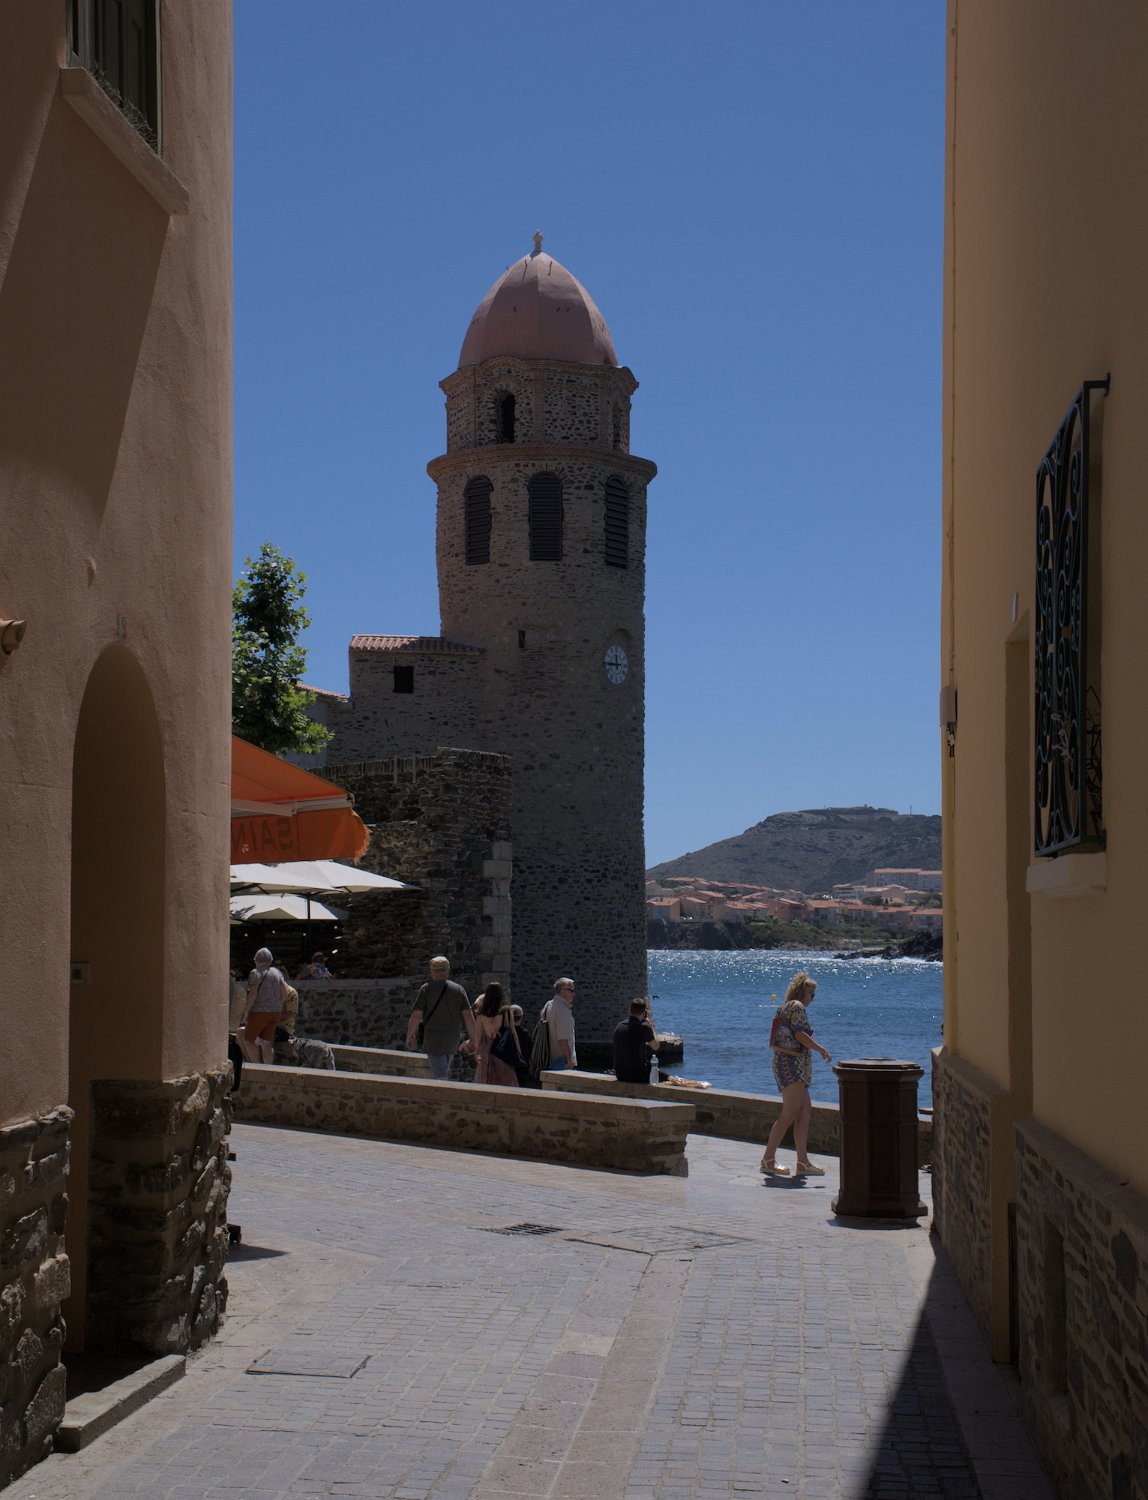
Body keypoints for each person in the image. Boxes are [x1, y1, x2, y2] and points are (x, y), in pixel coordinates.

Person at [760, 971, 832, 1178]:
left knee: (804, 1112)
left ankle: (803, 1162)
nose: (812, 999)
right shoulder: (798, 1007)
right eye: (812, 995)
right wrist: (822, 1050)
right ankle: (768, 1159)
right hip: (791, 1066)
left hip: (789, 1066)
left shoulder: (785, 1007)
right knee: (789, 1113)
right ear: (803, 993)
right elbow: (800, 1035)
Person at [405, 956, 475, 1080]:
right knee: (443, 1071)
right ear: (447, 970)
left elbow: (416, 1015)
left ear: (432, 971)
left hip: (434, 1039)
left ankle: (443, 1091)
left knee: (440, 1076)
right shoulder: (459, 990)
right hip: (452, 1039)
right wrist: (473, 1039)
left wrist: (410, 1035)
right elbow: (468, 1016)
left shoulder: (426, 989)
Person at [240, 948, 287, 1064]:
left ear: (257, 960)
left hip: (259, 1011)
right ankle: (268, 1069)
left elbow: (253, 993)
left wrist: (246, 1011)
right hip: (275, 1012)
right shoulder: (277, 972)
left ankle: (257, 1067)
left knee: (248, 1040)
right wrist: (277, 1004)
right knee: (267, 1043)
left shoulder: (255, 973)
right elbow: (285, 992)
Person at [472, 982, 520, 1087]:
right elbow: (513, 1032)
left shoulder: (481, 1013)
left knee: (485, 1082)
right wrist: (518, 1050)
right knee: (505, 1083)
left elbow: (478, 1036)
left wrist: (476, 1052)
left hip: (486, 1051)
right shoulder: (506, 1011)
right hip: (502, 1050)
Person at [613, 998, 658, 1083]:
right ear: (644, 1013)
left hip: (620, 1074)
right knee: (660, 1075)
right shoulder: (644, 1027)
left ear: (630, 1010)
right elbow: (656, 1046)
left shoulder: (619, 1026)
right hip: (637, 1075)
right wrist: (651, 1025)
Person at [546, 977, 577, 1071]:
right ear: (562, 991)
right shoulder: (562, 1010)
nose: (574, 994)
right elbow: (563, 1039)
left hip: (549, 1059)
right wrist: (569, 1060)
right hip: (562, 1061)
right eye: (571, 990)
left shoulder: (548, 1005)